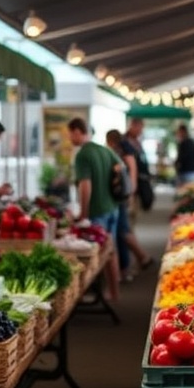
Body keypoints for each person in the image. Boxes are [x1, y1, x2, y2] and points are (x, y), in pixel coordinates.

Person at [68, 117, 122, 300]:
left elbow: (85, 185)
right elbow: (120, 167)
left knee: (93, 257)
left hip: (97, 211)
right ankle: (114, 292)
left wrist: (83, 214)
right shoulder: (104, 150)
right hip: (113, 207)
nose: (70, 138)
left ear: (77, 131)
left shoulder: (83, 155)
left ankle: (90, 294)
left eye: (70, 133)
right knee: (111, 250)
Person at [106, 129, 153, 280]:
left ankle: (140, 259)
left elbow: (132, 170)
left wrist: (131, 193)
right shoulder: (123, 149)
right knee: (124, 231)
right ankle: (137, 261)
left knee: (124, 231)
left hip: (124, 197)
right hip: (124, 196)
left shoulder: (124, 150)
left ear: (110, 141)